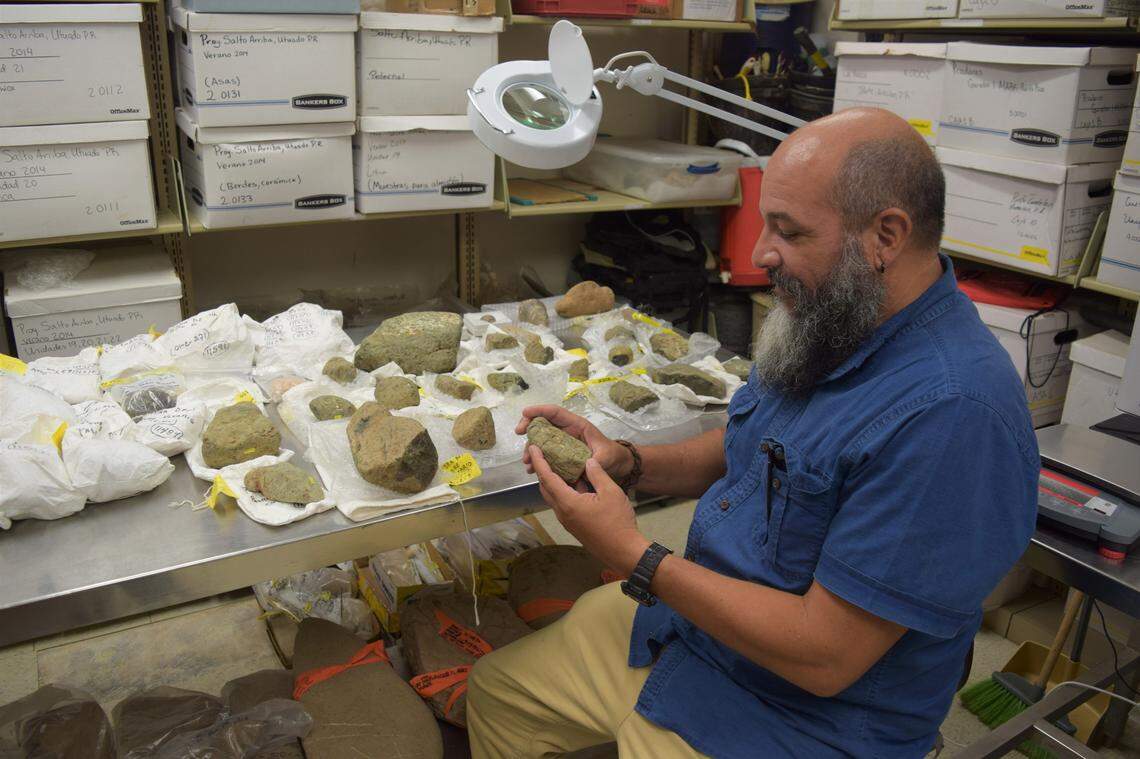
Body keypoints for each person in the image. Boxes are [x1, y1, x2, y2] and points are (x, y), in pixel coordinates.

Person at [466, 107, 1040, 758]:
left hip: (796, 720)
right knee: (498, 695)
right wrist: (627, 462)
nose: (761, 252)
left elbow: (825, 655)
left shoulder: (953, 416)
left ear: (885, 236)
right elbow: (756, 445)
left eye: (789, 232)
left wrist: (636, 554)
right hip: (699, 634)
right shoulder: (833, 319)